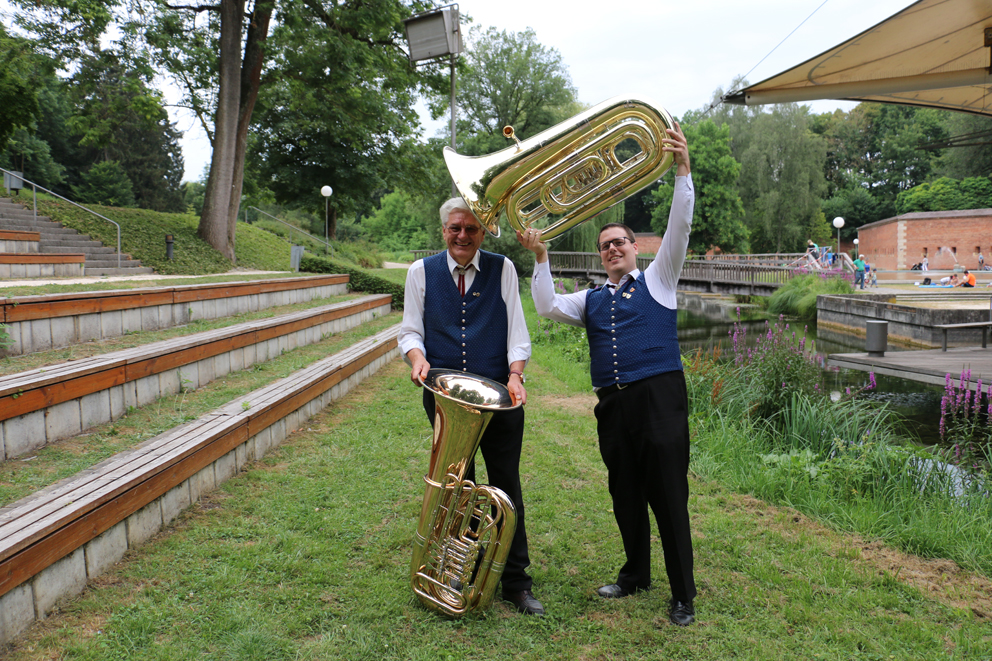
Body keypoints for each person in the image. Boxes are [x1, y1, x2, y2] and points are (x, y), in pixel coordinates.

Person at [517, 122, 697, 627]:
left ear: (636, 247)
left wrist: (682, 170)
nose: (612, 249)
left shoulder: (660, 279)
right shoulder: (591, 299)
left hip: (659, 398)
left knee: (668, 496)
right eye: (605, 246)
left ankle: (683, 594)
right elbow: (547, 305)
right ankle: (635, 574)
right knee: (625, 493)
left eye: (620, 242)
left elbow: (680, 227)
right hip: (613, 406)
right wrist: (542, 257)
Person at [399, 198, 544, 616]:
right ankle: (455, 573)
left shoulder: (504, 268)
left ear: (483, 232)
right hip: (445, 398)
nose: (462, 236)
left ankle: (515, 581)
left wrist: (516, 375)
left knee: (505, 487)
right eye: (455, 228)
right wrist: (417, 358)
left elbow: (517, 333)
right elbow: (409, 332)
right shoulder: (420, 271)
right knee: (456, 490)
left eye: (471, 229)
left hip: (499, 399)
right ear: (443, 230)